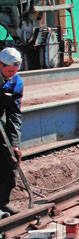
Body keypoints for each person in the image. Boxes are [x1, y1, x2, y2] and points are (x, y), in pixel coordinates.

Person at [0, 48, 23, 213]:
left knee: (10, 158)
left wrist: (14, 144)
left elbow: (14, 115)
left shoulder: (16, 82)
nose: (12, 74)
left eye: (15, 71)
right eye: (9, 71)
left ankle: (3, 202)